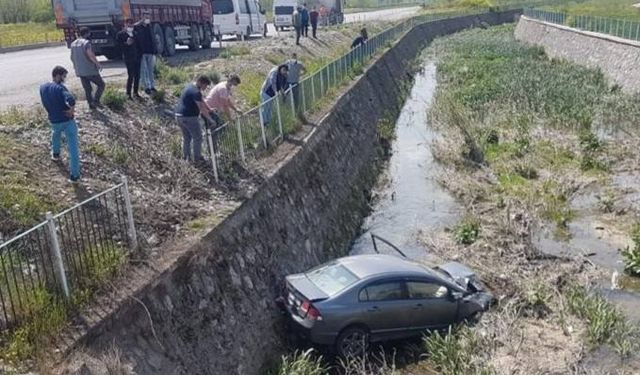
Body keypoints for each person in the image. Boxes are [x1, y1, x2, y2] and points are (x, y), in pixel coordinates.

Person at [40, 66, 81, 183]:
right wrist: (71, 110)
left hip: (54, 120)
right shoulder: (60, 88)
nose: (64, 79)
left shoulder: (43, 88)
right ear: (58, 75)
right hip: (67, 121)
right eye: (63, 76)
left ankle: (56, 154)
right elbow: (71, 99)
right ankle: (74, 176)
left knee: (55, 134)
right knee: (73, 149)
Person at [175, 75, 216, 163]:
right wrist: (210, 119)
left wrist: (209, 108)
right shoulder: (196, 92)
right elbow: (201, 107)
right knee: (198, 138)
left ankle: (186, 158)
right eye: (205, 85)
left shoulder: (189, 86)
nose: (206, 88)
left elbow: (201, 100)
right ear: (201, 83)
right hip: (189, 118)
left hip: (179, 116)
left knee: (187, 138)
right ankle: (197, 159)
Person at [70, 27, 104, 109]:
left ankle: (91, 104)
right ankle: (96, 101)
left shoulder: (73, 43)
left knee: (87, 88)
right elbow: (90, 55)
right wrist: (97, 64)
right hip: (89, 69)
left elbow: (71, 57)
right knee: (101, 84)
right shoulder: (86, 43)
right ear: (87, 33)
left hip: (79, 70)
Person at [116, 19, 141, 100]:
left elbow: (139, 45)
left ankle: (136, 92)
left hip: (136, 57)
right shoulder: (120, 34)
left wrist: (140, 55)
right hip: (128, 58)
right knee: (131, 75)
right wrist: (126, 44)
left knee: (137, 76)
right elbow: (118, 46)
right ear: (125, 25)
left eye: (132, 25)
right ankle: (128, 93)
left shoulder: (135, 34)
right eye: (129, 25)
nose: (130, 27)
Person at [135, 12, 158, 95]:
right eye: (145, 17)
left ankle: (152, 86)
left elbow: (153, 39)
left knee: (150, 70)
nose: (147, 19)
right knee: (144, 70)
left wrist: (155, 51)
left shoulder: (150, 26)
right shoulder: (138, 27)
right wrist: (141, 22)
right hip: (142, 52)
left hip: (150, 51)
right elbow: (134, 29)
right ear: (142, 17)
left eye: (148, 17)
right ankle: (146, 87)